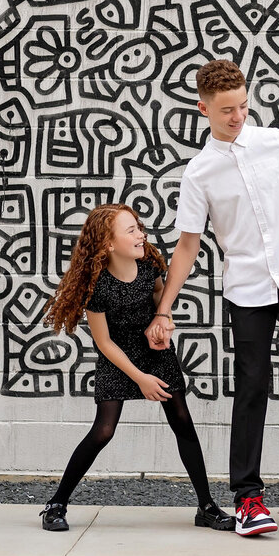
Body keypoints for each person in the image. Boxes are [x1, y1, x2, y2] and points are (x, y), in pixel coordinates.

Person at [145, 60, 279, 537]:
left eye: (243, 106)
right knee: (252, 387)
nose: (237, 117)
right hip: (249, 289)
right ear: (204, 108)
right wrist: (165, 307)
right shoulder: (199, 173)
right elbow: (188, 245)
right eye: (227, 110)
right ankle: (249, 499)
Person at [39, 203, 234, 533]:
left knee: (183, 421)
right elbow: (104, 343)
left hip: (153, 350)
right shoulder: (97, 285)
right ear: (109, 244)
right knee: (103, 431)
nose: (141, 234)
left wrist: (163, 323)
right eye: (131, 230)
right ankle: (56, 504)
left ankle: (206, 507)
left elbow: (161, 298)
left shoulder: (149, 264)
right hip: (118, 358)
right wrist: (140, 378)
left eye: (139, 227)